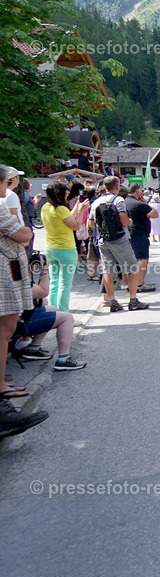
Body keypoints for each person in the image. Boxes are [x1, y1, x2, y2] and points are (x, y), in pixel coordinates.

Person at [0, 165, 49, 438]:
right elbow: (23, 234)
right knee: (4, 329)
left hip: (9, 271)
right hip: (4, 273)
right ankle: (2, 393)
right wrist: (21, 230)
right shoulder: (3, 202)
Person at [10, 252, 82, 370]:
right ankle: (63, 359)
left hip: (17, 318)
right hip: (17, 324)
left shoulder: (9, 273)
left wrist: (29, 269)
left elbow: (38, 297)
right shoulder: (15, 280)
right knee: (67, 317)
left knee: (52, 308)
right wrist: (44, 269)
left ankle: (33, 348)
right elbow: (43, 291)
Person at [89, 176, 148, 312]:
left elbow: (91, 224)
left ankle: (112, 301)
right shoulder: (118, 200)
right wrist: (130, 221)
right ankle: (133, 300)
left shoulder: (96, 202)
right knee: (132, 269)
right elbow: (124, 221)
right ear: (117, 187)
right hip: (120, 240)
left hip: (103, 240)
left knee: (108, 271)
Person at [41, 182, 87, 312]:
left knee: (54, 282)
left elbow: (66, 218)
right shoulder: (61, 209)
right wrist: (82, 211)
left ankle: (53, 311)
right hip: (66, 249)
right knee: (65, 285)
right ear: (59, 194)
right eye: (66, 193)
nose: (67, 195)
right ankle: (64, 314)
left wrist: (77, 208)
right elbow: (76, 225)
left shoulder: (45, 207)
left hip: (50, 248)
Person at [125, 184, 158, 293]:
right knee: (142, 259)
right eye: (141, 189)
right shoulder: (139, 204)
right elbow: (155, 214)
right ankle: (139, 284)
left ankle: (127, 283)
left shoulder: (124, 201)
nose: (142, 191)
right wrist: (145, 203)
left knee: (129, 261)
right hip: (139, 234)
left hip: (126, 233)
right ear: (136, 191)